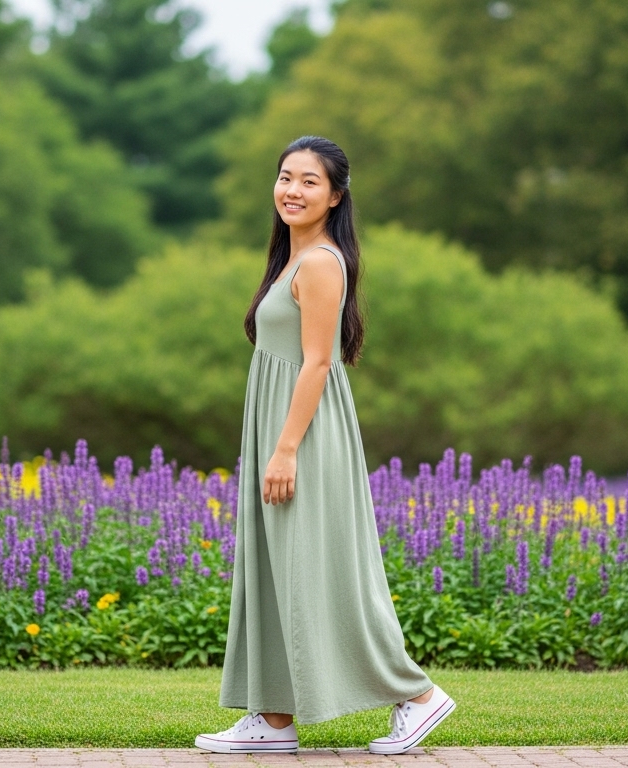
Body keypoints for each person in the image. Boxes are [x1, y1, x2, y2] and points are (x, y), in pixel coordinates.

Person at [195, 136, 456, 755]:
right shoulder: (294, 258)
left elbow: (317, 363)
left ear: (335, 196)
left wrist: (284, 449)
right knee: (277, 567)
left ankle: (416, 695)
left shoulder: (319, 264)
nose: (292, 190)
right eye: (286, 177)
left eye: (309, 181)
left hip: (303, 437)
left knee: (321, 570)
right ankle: (274, 717)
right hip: (281, 430)